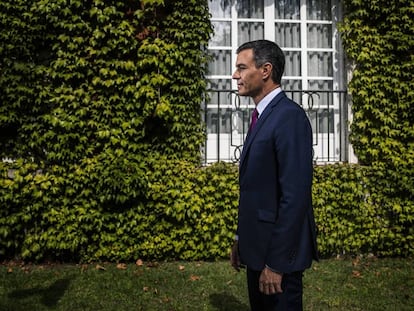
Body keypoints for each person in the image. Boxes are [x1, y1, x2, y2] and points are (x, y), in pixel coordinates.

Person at [230, 40, 318, 311]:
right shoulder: (262, 115)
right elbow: (258, 189)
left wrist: (276, 264)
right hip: (256, 250)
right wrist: (240, 239)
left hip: (276, 261)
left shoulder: (289, 117)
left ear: (266, 70)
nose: (235, 75)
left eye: (242, 68)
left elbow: (295, 198)